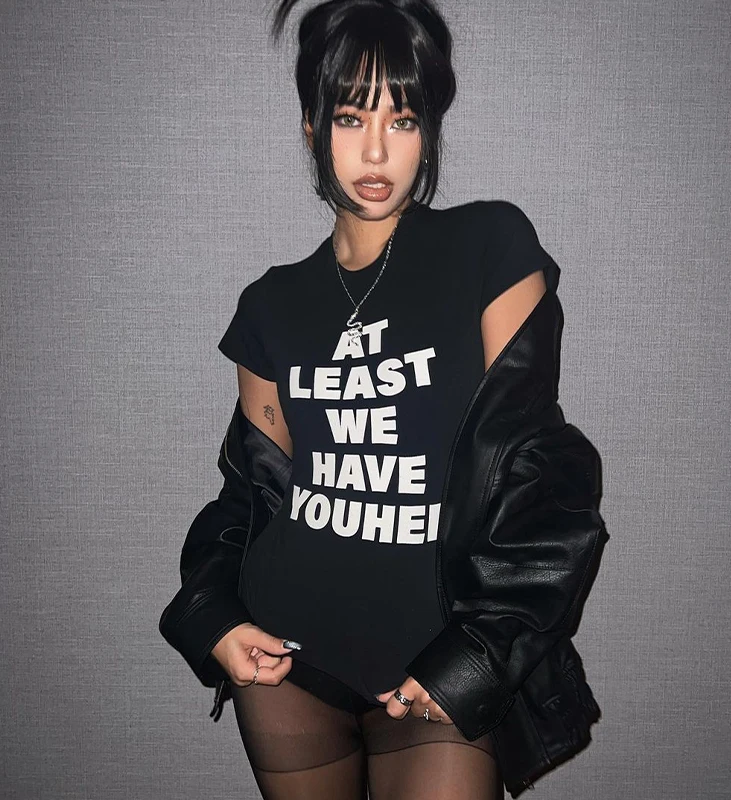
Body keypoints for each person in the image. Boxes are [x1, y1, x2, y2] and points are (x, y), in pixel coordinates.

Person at [159, 1, 609, 798]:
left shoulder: (489, 249)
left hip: (439, 656)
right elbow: (251, 498)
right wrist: (213, 616)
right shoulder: (270, 305)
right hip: (289, 661)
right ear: (311, 127)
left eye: (402, 120)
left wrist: (476, 658)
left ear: (428, 131)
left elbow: (542, 476)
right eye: (349, 117)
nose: (376, 150)